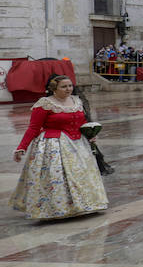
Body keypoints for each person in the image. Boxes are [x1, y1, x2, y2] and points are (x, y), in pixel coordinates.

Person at [10, 75, 109, 220]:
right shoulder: (44, 104)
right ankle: (57, 207)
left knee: (81, 173)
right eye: (64, 86)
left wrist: (90, 135)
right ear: (53, 89)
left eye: (70, 86)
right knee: (57, 176)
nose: (68, 89)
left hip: (78, 143)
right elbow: (33, 128)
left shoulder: (77, 101)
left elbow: (82, 122)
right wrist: (21, 147)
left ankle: (87, 203)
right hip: (54, 144)